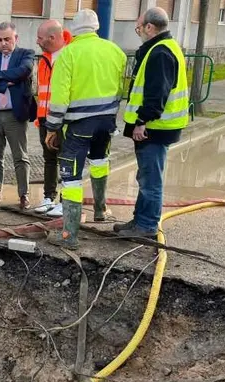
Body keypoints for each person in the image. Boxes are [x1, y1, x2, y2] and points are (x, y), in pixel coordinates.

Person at [44, 9, 127, 249]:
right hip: (107, 122)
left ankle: (69, 235)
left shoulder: (69, 54)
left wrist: (52, 127)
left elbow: (59, 97)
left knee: (71, 176)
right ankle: (100, 210)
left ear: (74, 29)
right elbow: (121, 85)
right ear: (96, 27)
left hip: (80, 125)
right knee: (100, 162)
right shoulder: (115, 51)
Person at [118, 8, 189, 239]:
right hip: (157, 127)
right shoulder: (164, 47)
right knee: (146, 175)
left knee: (150, 179)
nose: (138, 31)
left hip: (154, 128)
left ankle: (146, 225)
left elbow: (156, 93)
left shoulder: (159, 52)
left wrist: (141, 121)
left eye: (139, 26)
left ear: (150, 27)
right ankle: (140, 219)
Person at [0, 22, 36, 209]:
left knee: (20, 156)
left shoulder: (25, 54)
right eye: (0, 40)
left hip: (15, 115)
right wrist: (4, 83)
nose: (3, 43)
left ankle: (23, 195)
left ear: (16, 38)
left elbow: (24, 71)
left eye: (7, 39)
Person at [33, 20, 72, 218]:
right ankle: (49, 197)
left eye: (40, 38)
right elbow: (43, 92)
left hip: (64, 120)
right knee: (49, 159)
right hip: (46, 118)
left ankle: (66, 201)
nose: (37, 41)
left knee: (66, 159)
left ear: (52, 37)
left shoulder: (70, 55)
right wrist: (41, 118)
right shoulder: (44, 60)